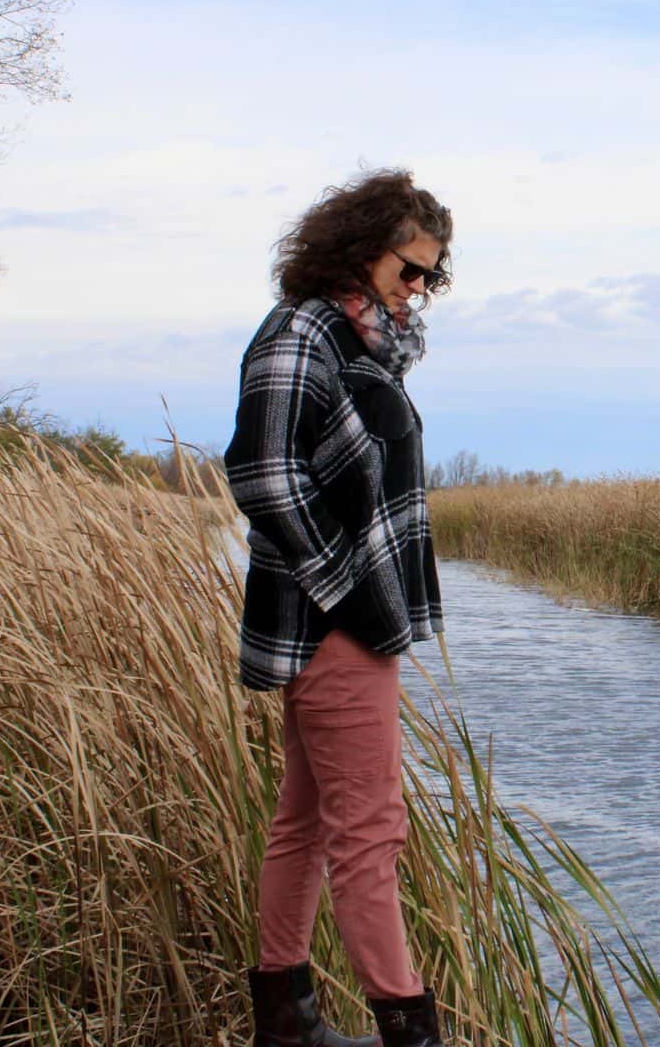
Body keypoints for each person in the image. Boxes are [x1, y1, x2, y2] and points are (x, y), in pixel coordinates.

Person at [224, 170, 452, 1047]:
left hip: (348, 619)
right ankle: (410, 1031)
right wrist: (350, 592)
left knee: (309, 820)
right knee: (371, 830)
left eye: (434, 276)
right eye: (412, 270)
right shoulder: (302, 333)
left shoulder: (360, 343)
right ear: (361, 250)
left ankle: (286, 1021)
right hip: (334, 625)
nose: (422, 289)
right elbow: (260, 472)